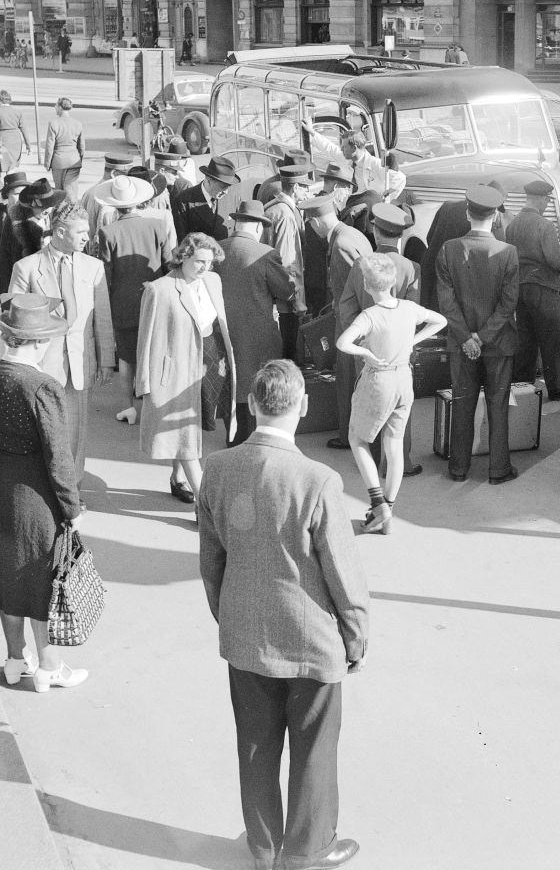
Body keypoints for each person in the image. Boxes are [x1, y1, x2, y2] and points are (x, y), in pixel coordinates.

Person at [198, 359, 367, 870]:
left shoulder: (218, 469)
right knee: (314, 750)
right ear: (303, 405)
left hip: (246, 636)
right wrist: (354, 638)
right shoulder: (318, 480)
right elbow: (343, 574)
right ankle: (307, 851)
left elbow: (212, 562)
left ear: (252, 405)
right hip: (312, 643)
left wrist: (229, 617)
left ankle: (264, 846)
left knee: (255, 746)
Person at [0, 294, 89, 693]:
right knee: (42, 579)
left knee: (7, 576)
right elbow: (58, 456)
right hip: (34, 497)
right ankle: (49, 667)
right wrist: (73, 507)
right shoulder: (41, 386)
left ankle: (15, 658)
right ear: (41, 341)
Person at [9, 203, 116, 493]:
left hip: (81, 362)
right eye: (81, 231)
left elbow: (102, 318)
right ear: (59, 232)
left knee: (75, 432)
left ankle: (73, 489)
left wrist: (107, 359)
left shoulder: (93, 268)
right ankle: (45, 488)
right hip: (42, 364)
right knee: (44, 429)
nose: (87, 237)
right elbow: (15, 321)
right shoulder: (27, 268)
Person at [337, 254, 445, 532]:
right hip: (403, 380)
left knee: (357, 439)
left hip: (378, 381)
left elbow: (343, 343)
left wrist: (365, 353)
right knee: (393, 446)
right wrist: (414, 340)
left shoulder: (369, 316)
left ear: (367, 286)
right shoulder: (409, 308)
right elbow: (440, 321)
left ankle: (378, 503)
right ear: (393, 281)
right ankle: (388, 510)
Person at [135, 232, 237, 505]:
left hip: (211, 358)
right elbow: (145, 339)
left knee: (192, 426)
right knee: (184, 432)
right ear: (182, 257)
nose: (205, 267)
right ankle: (206, 505)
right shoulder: (159, 289)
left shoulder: (213, 281)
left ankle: (177, 478)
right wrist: (144, 383)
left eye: (210, 262)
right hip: (175, 369)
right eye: (199, 261)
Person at [435, 185, 519, 484]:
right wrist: (483, 337)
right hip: (498, 344)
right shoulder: (508, 253)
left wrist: (468, 338)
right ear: (496, 216)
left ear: (467, 213)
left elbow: (446, 303)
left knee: (463, 403)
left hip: (461, 345)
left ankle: (458, 469)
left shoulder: (448, 249)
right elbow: (508, 304)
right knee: (498, 406)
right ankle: (499, 470)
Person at [339, 203, 423, 478]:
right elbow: (414, 316)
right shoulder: (412, 268)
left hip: (366, 351)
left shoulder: (362, 265)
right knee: (399, 408)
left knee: (367, 403)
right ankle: (400, 464)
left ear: (375, 231)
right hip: (399, 353)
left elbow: (346, 307)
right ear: (400, 236)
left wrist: (360, 342)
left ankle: (371, 460)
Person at [217, 200, 295, 445]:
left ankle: (232, 437)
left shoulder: (217, 249)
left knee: (231, 384)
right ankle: (254, 440)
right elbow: (285, 291)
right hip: (257, 334)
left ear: (237, 223)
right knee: (258, 387)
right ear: (259, 228)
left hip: (222, 330)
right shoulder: (265, 254)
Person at [96, 174, 171, 427]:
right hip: (154, 298)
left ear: (115, 205)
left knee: (126, 356)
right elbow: (169, 264)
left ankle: (128, 407)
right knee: (154, 351)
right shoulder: (157, 226)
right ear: (139, 201)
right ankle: (153, 403)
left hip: (122, 301)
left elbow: (107, 273)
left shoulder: (107, 232)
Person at [301, 193, 372, 450]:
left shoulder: (340, 244)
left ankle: (349, 436)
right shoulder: (353, 235)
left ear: (315, 223)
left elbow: (348, 292)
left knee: (348, 381)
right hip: (358, 321)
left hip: (350, 324)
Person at [504, 179, 560, 401]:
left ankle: (522, 386)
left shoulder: (513, 224)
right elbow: (555, 260)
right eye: (547, 200)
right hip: (544, 289)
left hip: (521, 288)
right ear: (542, 199)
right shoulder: (544, 225)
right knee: (552, 340)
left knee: (526, 339)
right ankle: (558, 389)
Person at [419, 187, 507, 309]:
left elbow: (429, 237)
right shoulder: (480, 217)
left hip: (431, 265)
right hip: (456, 276)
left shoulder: (447, 205)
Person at [263, 165, 311, 358]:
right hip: (285, 302)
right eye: (306, 187)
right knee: (288, 358)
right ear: (297, 187)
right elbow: (288, 262)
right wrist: (297, 300)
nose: (308, 191)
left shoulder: (272, 208)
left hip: (269, 295)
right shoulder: (286, 215)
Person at [0, 178, 65, 291]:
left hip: (53, 278)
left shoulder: (56, 216)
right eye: (42, 207)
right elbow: (5, 256)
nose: (46, 210)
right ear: (30, 205)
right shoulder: (15, 220)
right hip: (25, 281)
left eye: (49, 206)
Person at [173, 155, 243, 242]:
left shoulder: (233, 198)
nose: (226, 192)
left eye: (229, 186)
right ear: (209, 180)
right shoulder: (184, 200)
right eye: (223, 186)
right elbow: (181, 239)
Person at [44, 97, 84, 198]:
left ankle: (61, 212)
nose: (55, 108)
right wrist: (79, 160)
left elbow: (49, 146)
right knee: (72, 191)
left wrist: (47, 164)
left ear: (60, 107)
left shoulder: (53, 123)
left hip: (58, 162)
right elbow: (82, 147)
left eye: (56, 106)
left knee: (60, 192)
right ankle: (73, 211)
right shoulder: (78, 124)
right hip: (74, 162)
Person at [0, 89, 32, 172]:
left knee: (2, 163)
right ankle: (10, 182)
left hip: (3, 140)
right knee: (11, 165)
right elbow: (24, 129)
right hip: (16, 141)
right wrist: (28, 146)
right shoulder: (17, 112)